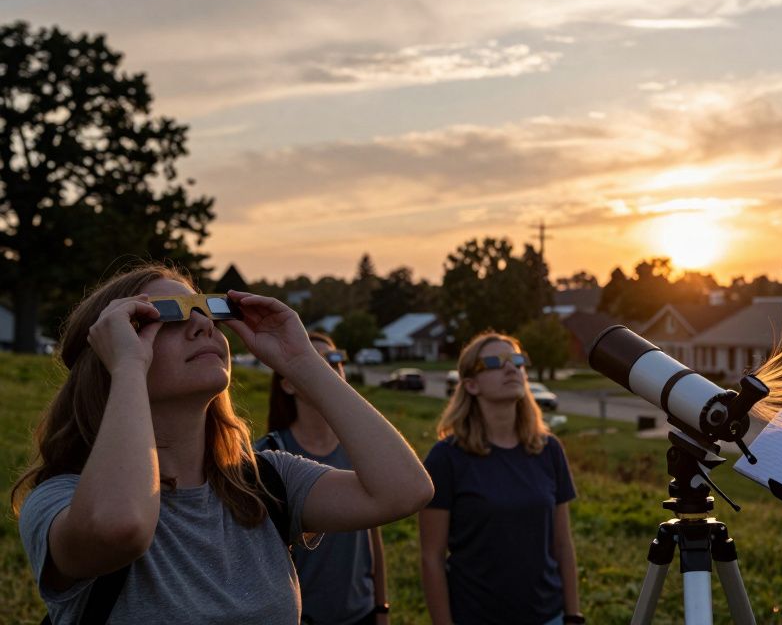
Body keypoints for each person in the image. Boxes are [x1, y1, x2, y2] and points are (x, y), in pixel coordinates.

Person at [11, 265, 434, 623]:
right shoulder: (59, 501)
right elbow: (120, 527)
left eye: (208, 310)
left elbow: (405, 490)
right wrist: (127, 370)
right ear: (109, 350)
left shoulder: (267, 482)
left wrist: (302, 361)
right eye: (167, 314)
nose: (201, 324)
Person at [418, 332, 583, 625]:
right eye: (495, 362)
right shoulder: (446, 458)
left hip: (548, 616)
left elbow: (562, 544)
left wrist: (573, 615)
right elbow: (432, 557)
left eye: (518, 361)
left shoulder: (548, 450)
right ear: (470, 384)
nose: (511, 368)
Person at [256, 331, 390, 625]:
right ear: (287, 384)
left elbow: (374, 537)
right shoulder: (268, 455)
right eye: (315, 361)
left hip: (362, 613)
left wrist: (382, 608)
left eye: (335, 359)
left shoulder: (361, 452)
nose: (329, 368)